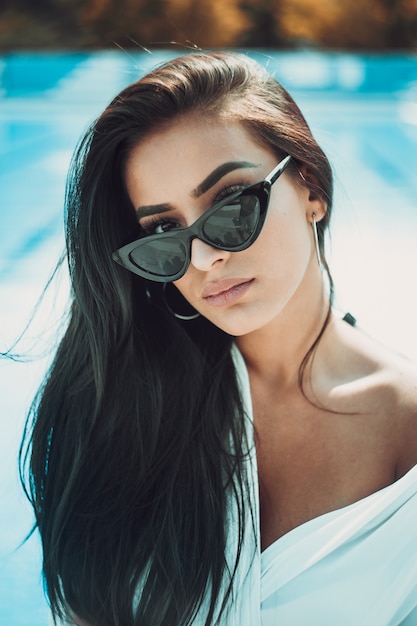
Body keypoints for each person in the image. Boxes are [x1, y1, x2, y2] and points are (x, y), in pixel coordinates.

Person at [20, 51, 417, 626]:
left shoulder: (405, 433)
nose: (204, 257)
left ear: (311, 187)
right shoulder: (120, 404)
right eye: (162, 231)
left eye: (231, 202)